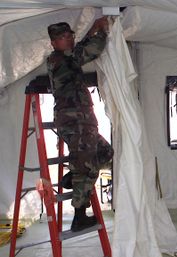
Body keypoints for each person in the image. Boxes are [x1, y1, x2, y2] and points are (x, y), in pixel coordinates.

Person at [46, 17, 114, 232]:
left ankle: (72, 177)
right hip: (74, 121)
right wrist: (101, 31)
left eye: (69, 36)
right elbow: (91, 49)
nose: (68, 40)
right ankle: (79, 217)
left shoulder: (68, 57)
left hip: (83, 121)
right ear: (54, 43)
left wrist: (92, 29)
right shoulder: (58, 60)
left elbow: (80, 48)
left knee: (106, 153)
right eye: (62, 38)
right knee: (86, 166)